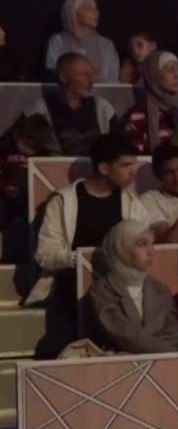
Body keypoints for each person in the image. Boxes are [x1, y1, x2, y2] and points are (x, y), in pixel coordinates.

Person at [34, 136, 150, 358]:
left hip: (120, 291)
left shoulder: (133, 205)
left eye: (134, 165)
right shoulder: (63, 201)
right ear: (104, 168)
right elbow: (45, 254)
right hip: (71, 290)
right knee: (57, 347)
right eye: (126, 165)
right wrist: (81, 260)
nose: (133, 172)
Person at [86, 220, 178, 353]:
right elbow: (123, 335)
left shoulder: (161, 290)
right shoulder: (103, 290)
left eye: (152, 244)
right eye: (142, 244)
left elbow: (174, 336)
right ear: (123, 248)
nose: (151, 252)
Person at [25, 53, 117, 156]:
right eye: (85, 74)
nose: (91, 81)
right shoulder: (40, 109)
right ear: (64, 77)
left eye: (92, 75)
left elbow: (120, 144)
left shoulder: (102, 107)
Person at [121, 51, 178, 154]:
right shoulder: (139, 113)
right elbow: (135, 153)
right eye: (170, 70)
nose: (177, 76)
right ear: (154, 74)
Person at [45, 0, 120, 83]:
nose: (96, 13)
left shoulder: (106, 45)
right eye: (88, 8)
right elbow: (54, 75)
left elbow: (113, 80)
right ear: (73, 12)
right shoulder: (58, 41)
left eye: (96, 8)